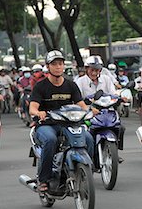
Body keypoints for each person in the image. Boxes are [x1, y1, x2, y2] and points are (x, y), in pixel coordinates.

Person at [29, 50, 94, 193]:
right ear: (48, 66)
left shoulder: (71, 85)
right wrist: (39, 113)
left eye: (60, 63)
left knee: (88, 138)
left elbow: (81, 104)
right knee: (51, 140)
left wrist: (90, 111)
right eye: (54, 64)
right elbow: (32, 108)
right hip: (47, 124)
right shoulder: (41, 86)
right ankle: (44, 179)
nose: (58, 67)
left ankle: (87, 171)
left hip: (69, 123)